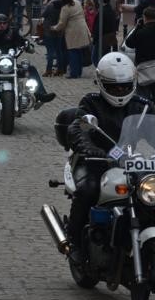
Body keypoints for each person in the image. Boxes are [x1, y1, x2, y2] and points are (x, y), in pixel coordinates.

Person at [61, 52, 143, 263]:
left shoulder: (141, 105)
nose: (120, 91)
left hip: (129, 161)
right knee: (88, 190)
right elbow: (77, 129)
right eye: (114, 87)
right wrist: (89, 148)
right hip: (94, 161)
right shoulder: (91, 102)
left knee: (154, 194)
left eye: (124, 86)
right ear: (101, 83)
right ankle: (74, 241)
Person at [125, 7, 155, 116]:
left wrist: (137, 27)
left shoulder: (141, 32)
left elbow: (129, 43)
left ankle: (144, 120)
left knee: (143, 99)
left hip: (142, 70)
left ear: (144, 17)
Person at [50, 0, 91, 79]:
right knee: (79, 51)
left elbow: (62, 23)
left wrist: (54, 28)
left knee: (73, 52)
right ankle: (79, 72)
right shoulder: (77, 2)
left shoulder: (65, 8)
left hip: (73, 31)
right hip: (82, 27)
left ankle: (74, 73)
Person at [41, 0, 66, 77]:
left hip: (49, 30)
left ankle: (48, 70)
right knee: (59, 51)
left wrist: (44, 5)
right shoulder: (64, 5)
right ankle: (60, 69)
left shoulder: (50, 4)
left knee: (50, 51)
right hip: (59, 30)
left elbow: (43, 14)